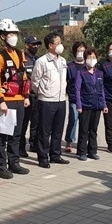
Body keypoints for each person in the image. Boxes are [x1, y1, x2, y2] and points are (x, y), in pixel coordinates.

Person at [0, 18, 31, 179]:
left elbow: (23, 75)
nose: (14, 37)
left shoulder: (19, 53)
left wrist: (26, 95)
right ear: (2, 36)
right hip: (5, 101)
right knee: (2, 134)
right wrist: (0, 100)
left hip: (19, 98)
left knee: (16, 133)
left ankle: (14, 162)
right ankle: (0, 165)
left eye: (15, 33)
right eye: (10, 34)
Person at [30, 32, 69, 168]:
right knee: (44, 131)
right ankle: (43, 157)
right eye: (57, 43)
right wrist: (42, 93)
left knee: (58, 130)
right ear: (50, 45)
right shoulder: (42, 61)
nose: (60, 46)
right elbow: (35, 81)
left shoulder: (63, 61)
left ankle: (55, 155)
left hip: (61, 100)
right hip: (46, 100)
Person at [74, 47, 107, 161]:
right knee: (84, 129)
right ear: (85, 59)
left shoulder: (99, 73)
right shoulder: (81, 72)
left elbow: (101, 89)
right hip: (85, 105)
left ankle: (92, 151)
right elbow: (77, 89)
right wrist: (79, 105)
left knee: (93, 129)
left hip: (97, 105)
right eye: (89, 57)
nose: (91, 59)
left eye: (93, 57)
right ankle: (82, 152)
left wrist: (104, 104)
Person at [20, 35, 41, 156]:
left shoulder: (38, 59)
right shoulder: (22, 59)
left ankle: (34, 144)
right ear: (27, 45)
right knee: (23, 123)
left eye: (37, 44)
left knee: (36, 122)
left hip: (36, 95)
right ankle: (21, 147)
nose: (36, 46)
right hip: (25, 96)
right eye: (33, 44)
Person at [65, 41, 87, 153]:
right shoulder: (69, 66)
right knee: (73, 119)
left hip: (86, 99)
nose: (81, 53)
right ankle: (69, 141)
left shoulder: (88, 66)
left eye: (83, 51)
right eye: (79, 51)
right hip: (74, 98)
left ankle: (83, 143)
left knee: (85, 122)